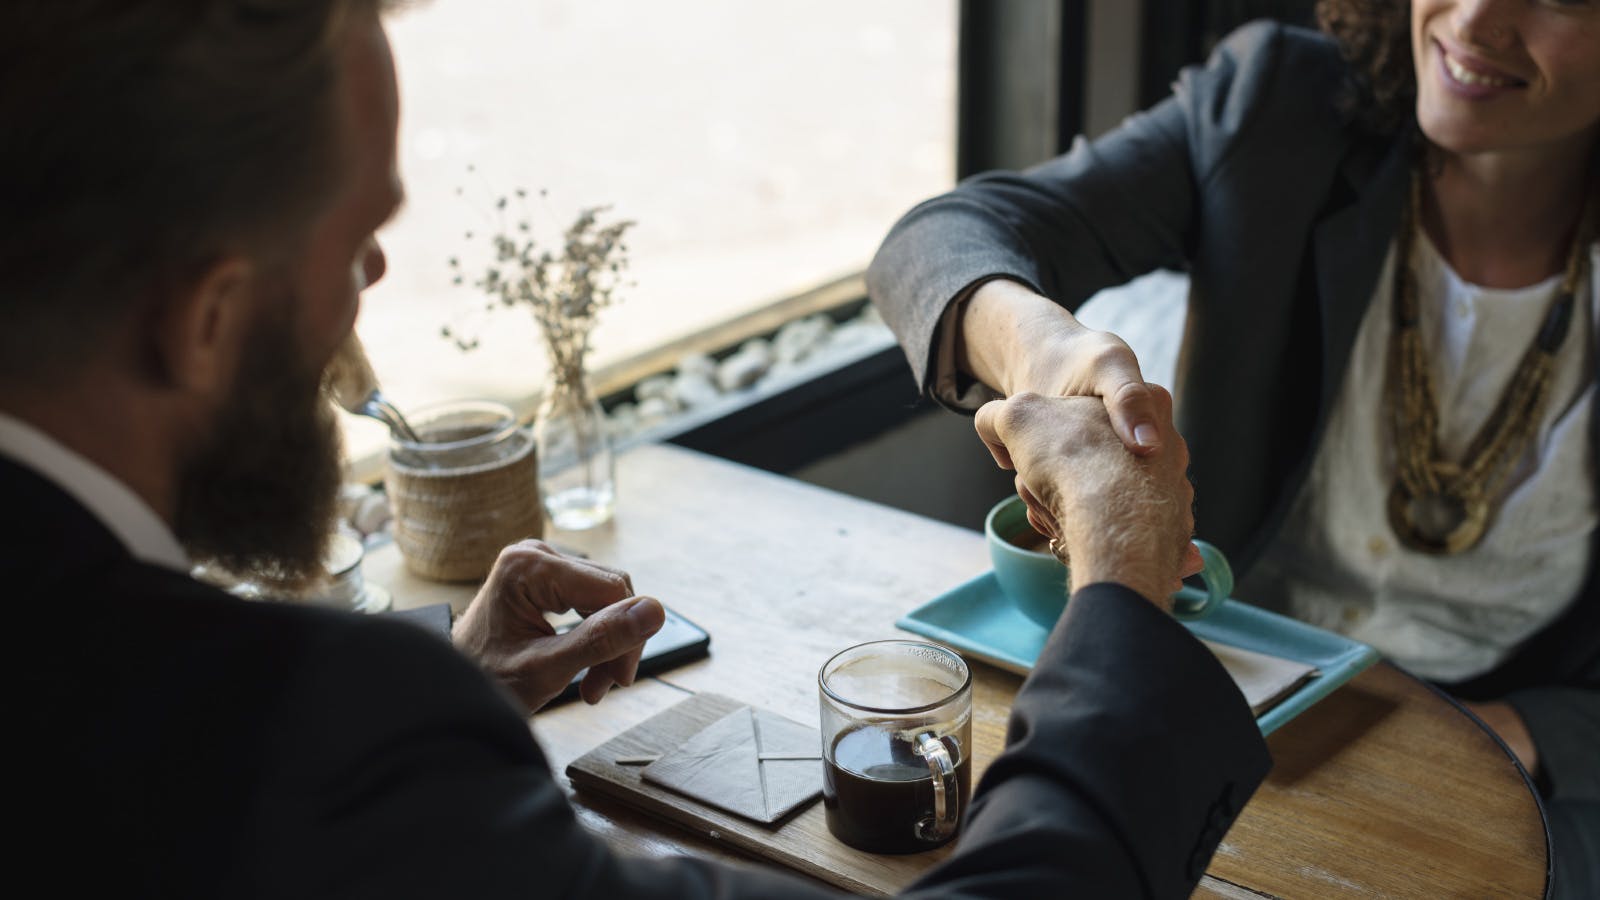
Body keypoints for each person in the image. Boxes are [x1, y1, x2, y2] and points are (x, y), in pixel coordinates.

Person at [2, 1, 1270, 896]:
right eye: (354, 244)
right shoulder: (300, 740)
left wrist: (451, 702)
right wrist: (1119, 577)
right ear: (208, 317)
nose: (367, 287)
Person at [868, 0, 1598, 893]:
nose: (1478, 19)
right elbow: (933, 243)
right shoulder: (1281, 105)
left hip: (1516, 774)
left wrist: (1511, 734)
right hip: (1220, 717)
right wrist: (1042, 349)